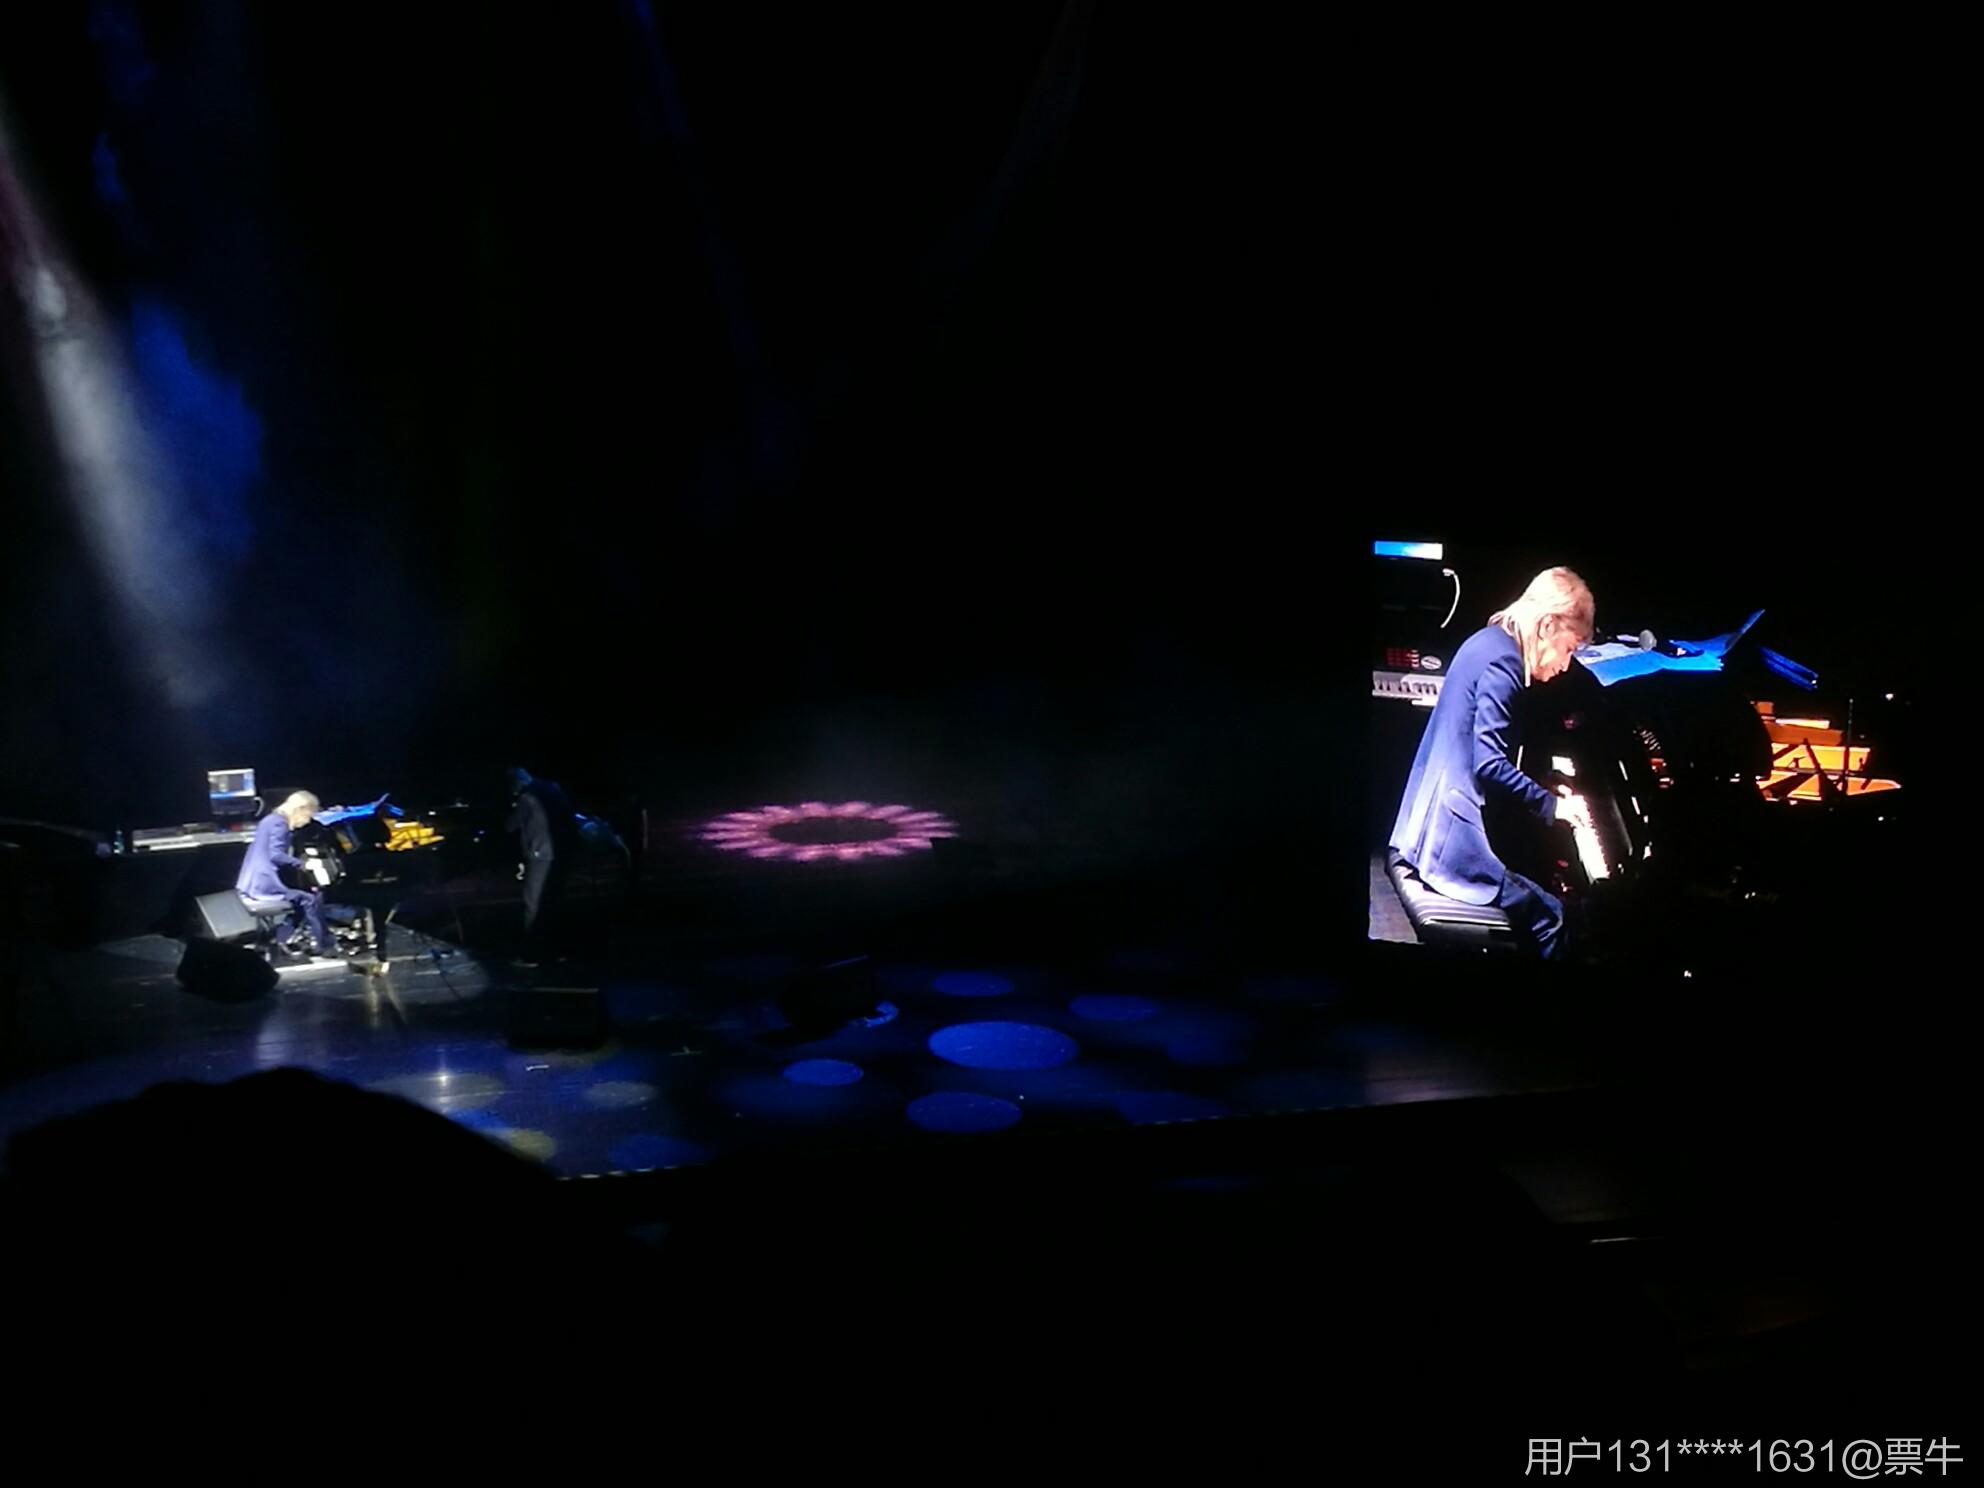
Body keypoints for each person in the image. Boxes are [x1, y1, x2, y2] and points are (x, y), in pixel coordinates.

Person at [1389, 567, 1598, 959]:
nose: (1566, 665)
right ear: (1547, 625)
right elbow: (1488, 765)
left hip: (1424, 826)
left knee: (1534, 876)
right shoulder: (1504, 665)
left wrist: (1539, 782)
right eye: (1570, 648)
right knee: (1552, 917)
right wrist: (1551, 805)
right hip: (1450, 843)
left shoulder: (1488, 641)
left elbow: (1480, 752)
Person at [235, 790, 337, 958]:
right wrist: (303, 864)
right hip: (264, 884)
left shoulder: (270, 819)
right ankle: (325, 946)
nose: (308, 821)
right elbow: (275, 855)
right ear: (300, 809)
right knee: (311, 899)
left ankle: (277, 938)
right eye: (309, 815)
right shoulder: (280, 824)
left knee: (303, 899)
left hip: (252, 880)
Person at [505, 767, 578, 965]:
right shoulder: (553, 790)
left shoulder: (527, 798)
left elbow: (512, 825)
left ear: (517, 783)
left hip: (540, 854)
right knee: (552, 901)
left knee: (533, 902)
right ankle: (555, 950)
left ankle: (531, 953)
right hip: (560, 853)